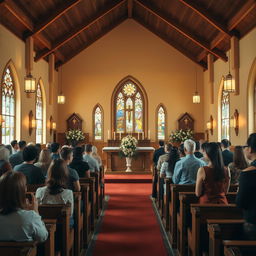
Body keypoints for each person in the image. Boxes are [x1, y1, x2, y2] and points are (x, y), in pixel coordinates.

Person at [0, 171, 48, 242]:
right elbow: (43, 237)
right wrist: (35, 212)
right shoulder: (30, 216)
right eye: (25, 186)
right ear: (22, 190)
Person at [236, 133, 256, 240]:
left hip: (253, 222)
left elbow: (241, 203)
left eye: (245, 147)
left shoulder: (247, 173)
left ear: (250, 149)